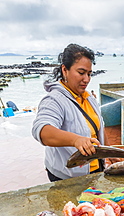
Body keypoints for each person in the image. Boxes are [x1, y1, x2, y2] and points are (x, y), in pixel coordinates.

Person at [32, 43, 113, 182]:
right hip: (67, 177)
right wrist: (76, 140)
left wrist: (111, 154)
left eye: (89, 74)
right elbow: (42, 131)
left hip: (96, 171)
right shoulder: (54, 100)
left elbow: (99, 128)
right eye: (81, 73)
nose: (86, 79)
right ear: (65, 70)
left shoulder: (89, 98)